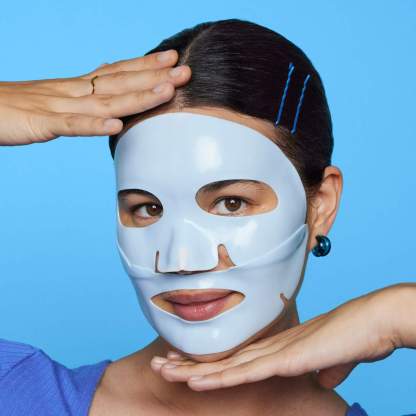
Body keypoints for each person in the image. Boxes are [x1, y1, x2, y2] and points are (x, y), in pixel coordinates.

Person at [0, 18, 414, 416]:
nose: (181, 260)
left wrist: (396, 315)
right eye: (148, 208)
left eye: (231, 203)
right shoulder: (16, 394)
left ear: (320, 205)